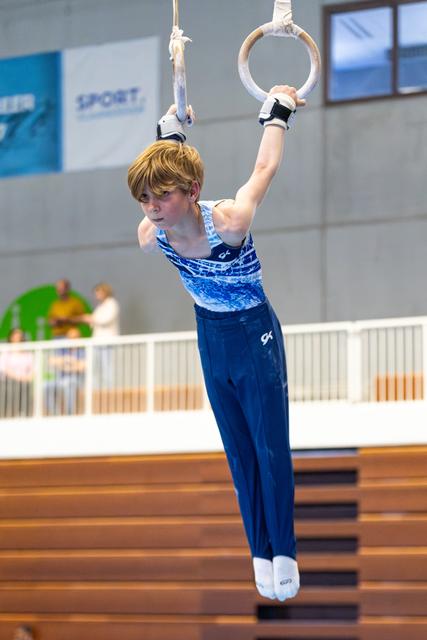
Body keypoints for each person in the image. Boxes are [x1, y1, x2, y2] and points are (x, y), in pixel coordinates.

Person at [128, 84, 305, 601]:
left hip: (256, 333)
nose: (154, 209)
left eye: (163, 196)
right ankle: (259, 552)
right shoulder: (150, 233)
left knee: (269, 445)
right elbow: (164, 173)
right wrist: (170, 129)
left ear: (195, 189)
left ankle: (284, 550)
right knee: (237, 450)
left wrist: (278, 114)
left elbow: (263, 172)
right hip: (210, 334)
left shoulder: (228, 222)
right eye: (145, 199)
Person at [44, 326, 86, 415]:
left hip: (77, 381)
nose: (72, 340)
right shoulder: (63, 350)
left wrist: (64, 365)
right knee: (45, 385)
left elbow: (81, 367)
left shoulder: (83, 351)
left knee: (68, 383)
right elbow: (51, 361)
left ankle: (69, 414)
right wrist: (68, 360)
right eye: (70, 338)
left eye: (75, 338)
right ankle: (55, 414)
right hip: (60, 380)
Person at [0, 328, 34, 418]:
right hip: (9, 380)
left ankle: (26, 415)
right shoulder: (6, 352)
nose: (17, 338)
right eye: (15, 336)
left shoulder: (28, 353)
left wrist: (27, 377)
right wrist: (18, 377)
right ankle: (8, 414)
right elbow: (3, 368)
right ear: (11, 338)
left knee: (26, 387)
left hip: (24, 381)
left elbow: (33, 370)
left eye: (19, 336)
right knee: (11, 387)